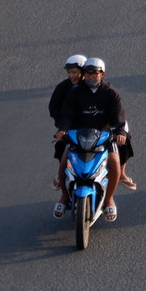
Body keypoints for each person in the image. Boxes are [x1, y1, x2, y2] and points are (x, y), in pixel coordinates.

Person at [54, 57, 130, 221]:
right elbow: (67, 114)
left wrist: (120, 132)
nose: (91, 77)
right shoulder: (75, 93)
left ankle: (109, 198)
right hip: (79, 136)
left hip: (104, 137)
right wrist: (63, 129)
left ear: (102, 74)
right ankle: (64, 196)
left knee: (114, 162)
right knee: (63, 163)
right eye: (88, 73)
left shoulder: (111, 93)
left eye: (94, 73)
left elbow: (119, 115)